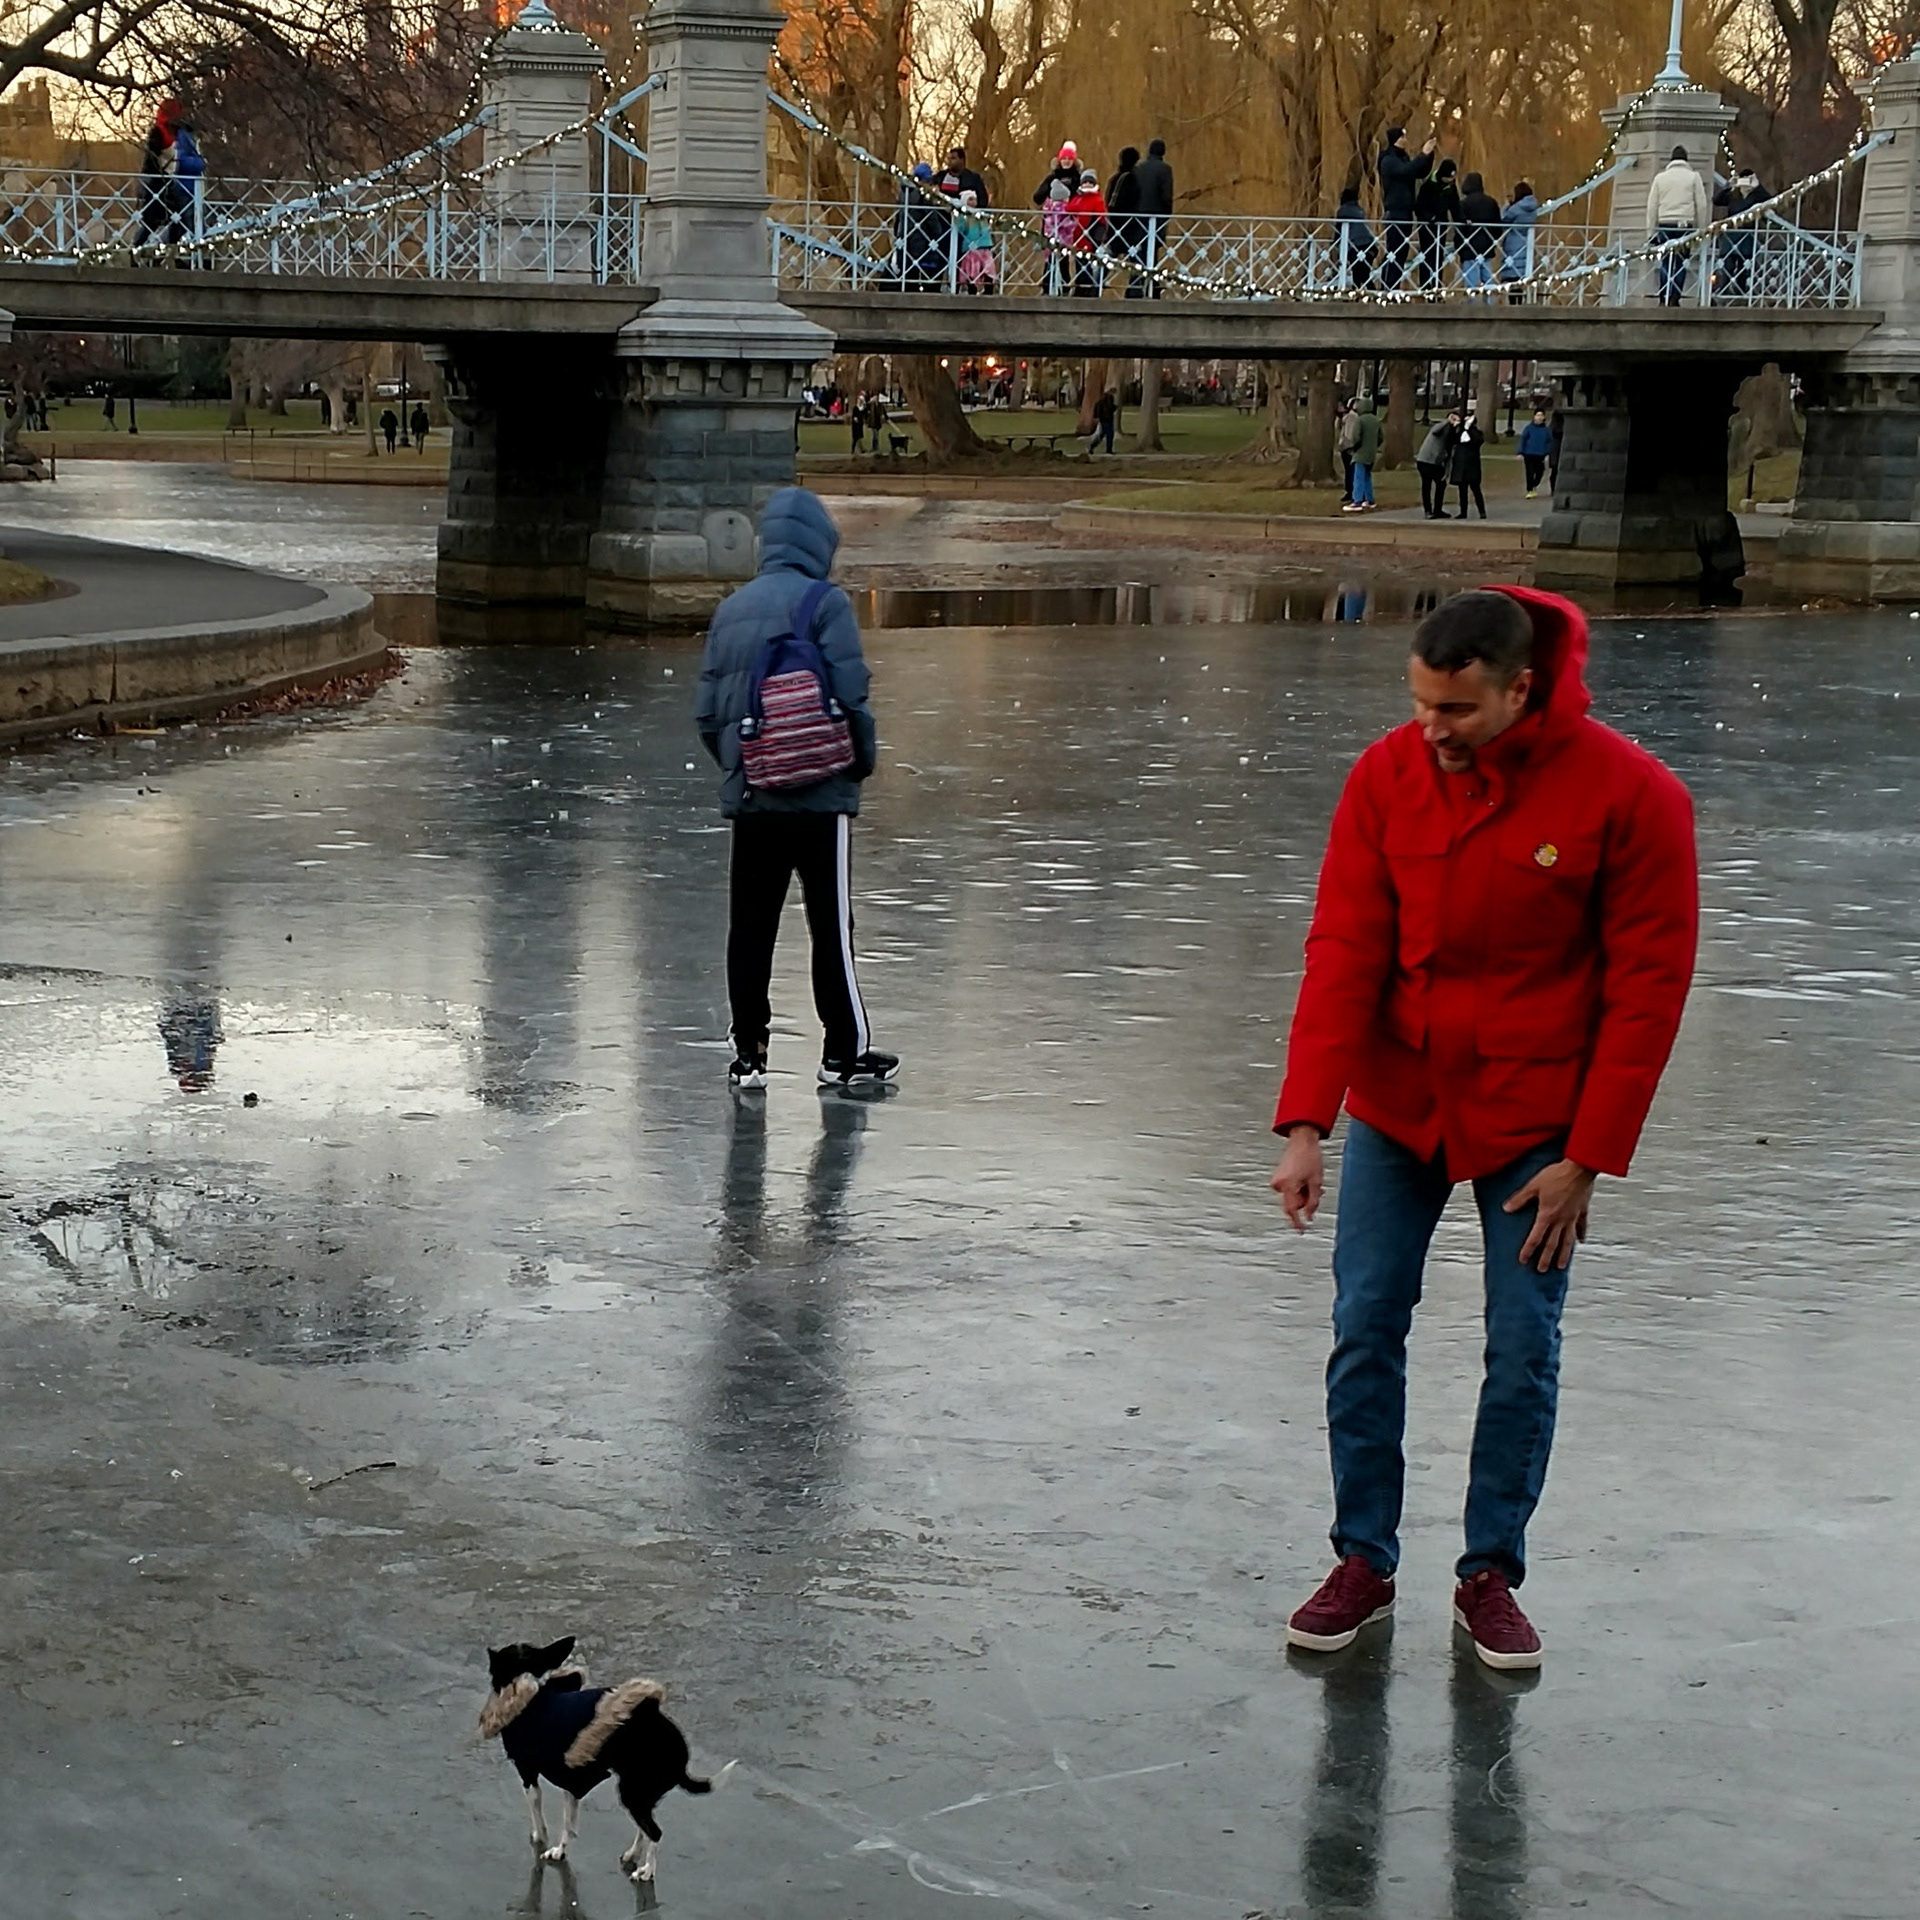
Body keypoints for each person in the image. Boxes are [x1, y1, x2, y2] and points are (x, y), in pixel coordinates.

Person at [1271, 586, 1697, 1671]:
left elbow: (1647, 991)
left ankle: (1488, 1573)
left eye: (1455, 711)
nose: (1431, 729)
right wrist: (1308, 1120)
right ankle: (1362, 1558)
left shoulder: (1633, 797)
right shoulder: (1385, 778)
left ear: (1521, 689)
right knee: (1365, 1325)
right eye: (1418, 703)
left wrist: (1588, 1158)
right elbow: (1346, 948)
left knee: (1521, 1349)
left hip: (1537, 1126)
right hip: (1400, 1106)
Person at [695, 486, 896, 1093]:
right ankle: (842, 1052)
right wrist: (857, 764)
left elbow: (708, 714)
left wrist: (745, 762)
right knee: (830, 924)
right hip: (821, 796)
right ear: (818, 544)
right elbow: (852, 695)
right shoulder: (825, 604)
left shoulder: (730, 610)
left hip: (755, 794)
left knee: (750, 926)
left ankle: (750, 1053)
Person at [1646, 145, 1711, 306]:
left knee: (1666, 262)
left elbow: (1651, 207)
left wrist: (1651, 232)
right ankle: (1675, 298)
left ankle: (1663, 297)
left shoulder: (1660, 178)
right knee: (1682, 262)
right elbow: (1702, 205)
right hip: (1685, 225)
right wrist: (1701, 229)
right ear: (1686, 160)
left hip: (1664, 225)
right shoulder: (1694, 177)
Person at [1377, 127, 1436, 291]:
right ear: (1396, 139)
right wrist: (1422, 154)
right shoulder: (1388, 160)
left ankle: (1394, 285)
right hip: (1395, 210)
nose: (1405, 139)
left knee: (1402, 250)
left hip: (1406, 211)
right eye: (1402, 137)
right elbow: (1407, 170)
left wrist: (1429, 156)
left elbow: (1418, 172)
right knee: (1394, 250)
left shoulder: (1403, 158)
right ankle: (1388, 286)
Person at [1712, 169, 1769, 302]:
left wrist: (1758, 187)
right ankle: (1725, 294)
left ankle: (1740, 295)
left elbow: (1769, 201)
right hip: (1731, 235)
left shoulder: (1756, 196)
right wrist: (1729, 185)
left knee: (1744, 268)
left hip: (1747, 236)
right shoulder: (1734, 194)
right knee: (1728, 266)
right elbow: (1716, 200)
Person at [897, 162, 950, 290]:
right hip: (922, 237)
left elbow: (899, 215)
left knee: (908, 271)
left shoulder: (904, 193)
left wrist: (897, 231)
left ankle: (908, 292)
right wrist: (938, 232)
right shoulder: (924, 195)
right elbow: (931, 217)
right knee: (927, 271)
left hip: (904, 236)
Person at [1132, 138, 1174, 295]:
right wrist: (1167, 214)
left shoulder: (1139, 169)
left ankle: (1136, 287)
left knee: (1139, 251)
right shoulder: (1165, 170)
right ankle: (1152, 286)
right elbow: (1166, 195)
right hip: (1156, 215)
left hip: (1139, 215)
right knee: (1152, 250)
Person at [1414, 157, 1460, 290]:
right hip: (1427, 226)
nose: (1450, 181)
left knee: (1438, 257)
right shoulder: (1428, 186)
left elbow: (1455, 205)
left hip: (1442, 226)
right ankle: (1424, 287)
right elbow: (1419, 207)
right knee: (1426, 255)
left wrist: (1461, 219)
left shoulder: (1450, 186)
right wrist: (1429, 217)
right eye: (1448, 178)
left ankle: (1436, 286)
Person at [164, 104, 205, 247]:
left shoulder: (185, 137)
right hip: (185, 186)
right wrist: (200, 163)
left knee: (180, 222)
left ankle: (168, 252)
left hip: (189, 186)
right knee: (190, 221)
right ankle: (200, 254)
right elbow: (180, 160)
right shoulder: (182, 137)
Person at [1455, 172, 1501, 300]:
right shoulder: (1491, 202)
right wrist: (1492, 240)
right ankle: (1490, 307)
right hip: (1487, 246)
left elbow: (1460, 227)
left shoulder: (1464, 204)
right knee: (1488, 280)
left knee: (1471, 283)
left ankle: (1472, 309)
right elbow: (1498, 227)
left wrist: (1459, 246)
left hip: (1469, 246)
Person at [1065, 169, 1108, 296]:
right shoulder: (1078, 197)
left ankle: (1086, 288)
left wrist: (1098, 238)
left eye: (1090, 182)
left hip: (1089, 236)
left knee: (1086, 263)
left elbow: (1102, 218)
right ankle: (1080, 286)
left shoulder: (1097, 199)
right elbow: (1069, 208)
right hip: (1077, 237)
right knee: (1079, 264)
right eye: (1085, 182)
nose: (1087, 184)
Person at [1107, 146, 1143, 285]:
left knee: (1110, 258)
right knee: (1136, 259)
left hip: (1115, 224)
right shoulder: (1133, 180)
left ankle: (1094, 285)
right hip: (1129, 226)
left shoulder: (1115, 178)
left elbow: (1109, 200)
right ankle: (1135, 289)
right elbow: (1135, 201)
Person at [1416, 410, 1460, 518]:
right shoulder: (1441, 429)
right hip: (1425, 461)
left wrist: (1447, 471)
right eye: (1454, 419)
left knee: (1441, 484)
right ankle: (1428, 511)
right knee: (1427, 485)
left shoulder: (1452, 436)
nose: (1455, 422)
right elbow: (1435, 430)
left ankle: (1437, 510)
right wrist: (1447, 421)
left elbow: (1449, 455)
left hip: (1436, 464)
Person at [1500, 182, 1540, 300]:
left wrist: (1507, 206)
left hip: (1513, 242)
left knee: (1512, 277)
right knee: (1520, 276)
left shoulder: (1516, 208)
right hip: (1526, 242)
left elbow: (1504, 219)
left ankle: (1513, 305)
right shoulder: (1533, 207)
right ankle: (1521, 301)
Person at [1342, 395, 1381, 512]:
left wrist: (1355, 447)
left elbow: (1356, 437)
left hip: (1360, 453)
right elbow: (1381, 437)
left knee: (1358, 476)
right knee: (1367, 476)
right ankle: (1370, 500)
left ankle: (1357, 501)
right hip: (1372, 453)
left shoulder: (1360, 420)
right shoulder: (1376, 420)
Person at [1334, 183, 1375, 290]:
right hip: (1370, 244)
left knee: (1359, 273)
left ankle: (1365, 292)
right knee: (1363, 272)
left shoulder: (1343, 212)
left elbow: (1339, 231)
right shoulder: (1360, 210)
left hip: (1356, 245)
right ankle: (1359, 291)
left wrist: (1335, 244)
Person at [956, 190, 996, 293]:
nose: (974, 202)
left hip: (985, 245)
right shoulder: (963, 216)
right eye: (970, 199)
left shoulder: (981, 214)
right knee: (972, 271)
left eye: (975, 199)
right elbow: (960, 229)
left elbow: (990, 218)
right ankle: (972, 290)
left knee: (989, 270)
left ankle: (989, 290)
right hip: (972, 247)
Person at [1450, 409, 1487, 519]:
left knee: (1475, 489)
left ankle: (1482, 511)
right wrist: (1455, 426)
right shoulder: (1459, 432)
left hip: (1472, 465)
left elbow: (1477, 441)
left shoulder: (1477, 433)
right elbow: (1453, 439)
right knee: (1462, 490)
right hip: (1461, 465)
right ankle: (1463, 512)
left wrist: (1469, 428)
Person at [1516, 407, 1554, 497]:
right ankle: (1530, 490)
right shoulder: (1529, 428)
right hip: (1529, 454)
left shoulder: (1546, 430)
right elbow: (1523, 440)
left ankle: (1534, 484)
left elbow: (1549, 442)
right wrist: (1520, 452)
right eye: (1537, 415)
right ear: (1534, 417)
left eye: (1541, 415)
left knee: (1540, 471)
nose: (1539, 417)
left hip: (1540, 454)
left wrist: (1547, 453)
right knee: (1530, 472)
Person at [1335, 398, 1358, 503]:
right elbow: (1338, 427)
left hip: (1348, 447)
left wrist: (1348, 445)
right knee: (1348, 470)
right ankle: (1349, 490)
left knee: (1350, 470)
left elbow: (1349, 433)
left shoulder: (1352, 417)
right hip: (1345, 446)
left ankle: (1351, 491)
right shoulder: (1346, 417)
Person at [1087, 385, 1118, 455]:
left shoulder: (1107, 399)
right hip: (1106, 419)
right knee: (1109, 434)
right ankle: (1108, 449)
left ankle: (1093, 446)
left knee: (1103, 434)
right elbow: (1107, 408)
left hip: (1107, 418)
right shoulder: (1107, 399)